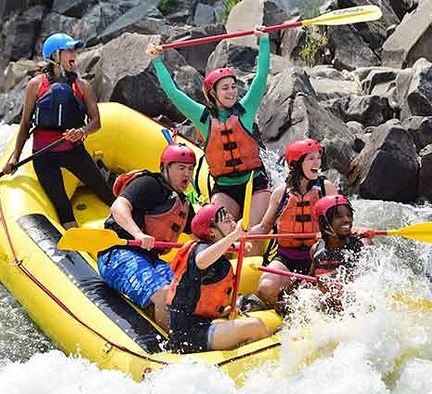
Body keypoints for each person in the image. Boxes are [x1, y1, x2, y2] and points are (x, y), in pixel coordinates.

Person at [146, 28, 271, 254]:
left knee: (251, 239)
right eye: (225, 88)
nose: (232, 92)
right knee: (213, 233)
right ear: (212, 94)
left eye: (233, 86)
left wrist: (263, 41)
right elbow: (173, 93)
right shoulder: (203, 118)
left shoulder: (246, 109)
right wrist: (157, 61)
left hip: (255, 184)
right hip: (225, 186)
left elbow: (261, 76)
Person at [2, 33, 115, 229]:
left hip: (73, 151)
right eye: (70, 51)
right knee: (62, 206)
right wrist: (15, 159)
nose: (75, 55)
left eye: (75, 51)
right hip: (43, 156)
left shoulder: (83, 86)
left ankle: (128, 226)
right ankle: (76, 248)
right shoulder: (35, 85)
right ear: (55, 55)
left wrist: (81, 131)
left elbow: (96, 122)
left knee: (106, 193)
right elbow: (25, 124)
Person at [97, 142, 197, 331]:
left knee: (185, 292)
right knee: (166, 294)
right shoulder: (149, 183)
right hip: (118, 254)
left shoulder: (183, 203)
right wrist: (138, 234)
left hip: (150, 259)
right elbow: (118, 207)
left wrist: (231, 238)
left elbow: (199, 233)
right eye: (181, 168)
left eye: (190, 169)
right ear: (166, 167)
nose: (187, 174)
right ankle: (176, 344)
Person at [167, 204, 272, 353]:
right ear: (212, 232)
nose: (234, 224)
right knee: (256, 326)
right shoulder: (201, 251)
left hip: (200, 324)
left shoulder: (216, 253)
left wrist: (223, 310)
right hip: (189, 334)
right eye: (227, 221)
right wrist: (235, 235)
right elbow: (201, 261)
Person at [249, 138, 337, 308]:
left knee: (326, 300)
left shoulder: (327, 188)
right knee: (266, 288)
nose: (317, 162)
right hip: (287, 258)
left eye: (318, 157)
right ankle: (279, 309)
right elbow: (264, 227)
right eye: (310, 158)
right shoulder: (280, 193)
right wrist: (239, 237)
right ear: (296, 164)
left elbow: (339, 225)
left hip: (318, 258)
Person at [309, 194, 374, 313]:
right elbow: (311, 280)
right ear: (325, 223)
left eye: (349, 215)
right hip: (328, 306)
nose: (347, 220)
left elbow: (370, 277)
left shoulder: (362, 244)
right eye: (339, 216)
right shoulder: (316, 249)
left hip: (355, 308)